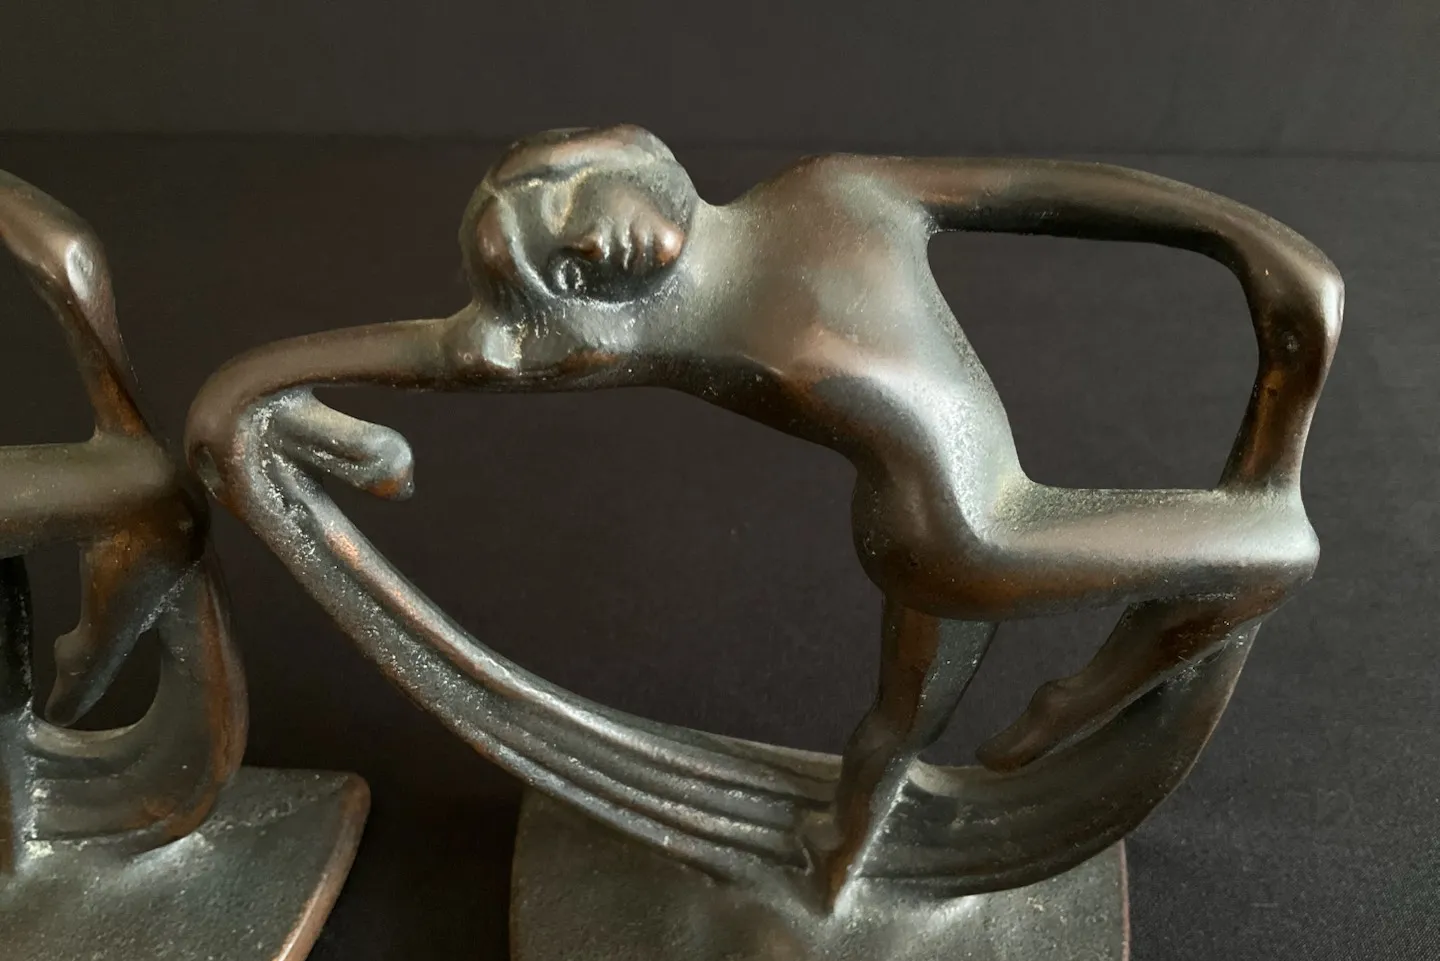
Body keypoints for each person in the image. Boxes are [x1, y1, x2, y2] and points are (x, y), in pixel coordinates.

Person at [190, 126, 1341, 908]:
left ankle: (843, 861)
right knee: (1277, 549)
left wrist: (1242, 241)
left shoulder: (832, 189)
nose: (594, 236)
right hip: (958, 540)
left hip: (972, 519)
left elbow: (1048, 193)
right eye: (562, 258)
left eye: (571, 197)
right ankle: (1078, 698)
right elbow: (444, 351)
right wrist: (251, 396)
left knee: (900, 731)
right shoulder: (642, 324)